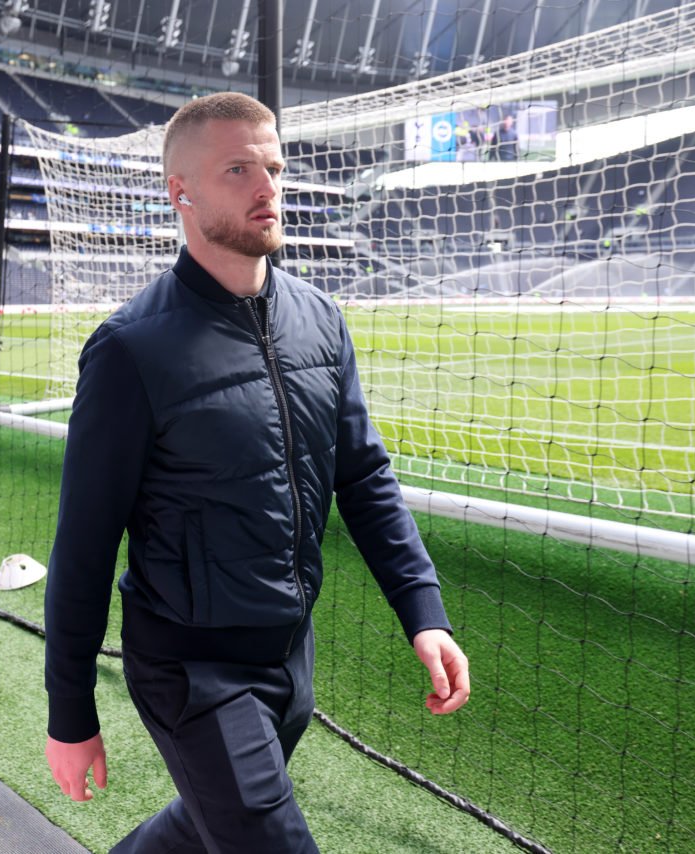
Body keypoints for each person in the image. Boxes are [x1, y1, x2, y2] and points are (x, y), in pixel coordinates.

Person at [43, 92, 470, 852]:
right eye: (238, 169)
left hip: (289, 653)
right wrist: (70, 712)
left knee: (207, 825)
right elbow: (83, 543)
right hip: (190, 666)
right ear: (183, 192)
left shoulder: (319, 321)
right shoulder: (131, 350)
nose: (268, 186)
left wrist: (423, 611)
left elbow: (364, 478)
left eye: (273, 165)